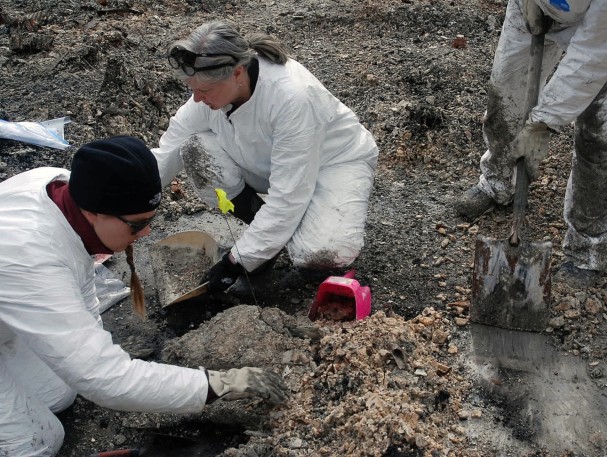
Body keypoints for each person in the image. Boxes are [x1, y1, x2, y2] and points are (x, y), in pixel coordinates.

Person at [0, 136, 287, 456]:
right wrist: (219, 384)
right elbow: (104, 380)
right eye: (139, 224)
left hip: (11, 311)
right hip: (17, 283)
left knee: (60, 392)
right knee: (39, 441)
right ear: (96, 213)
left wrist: (95, 354)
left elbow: (83, 301)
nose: (148, 232)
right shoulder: (29, 254)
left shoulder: (64, 187)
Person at [152, 20, 379, 294]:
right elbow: (169, 150)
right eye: (192, 89)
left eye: (205, 91)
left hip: (333, 164)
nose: (197, 99)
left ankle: (275, 239)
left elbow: (288, 195)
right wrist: (133, 206)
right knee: (194, 150)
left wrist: (236, 261)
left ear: (237, 73)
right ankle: (267, 243)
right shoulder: (214, 88)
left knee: (319, 253)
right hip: (271, 165)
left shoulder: (291, 96)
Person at [455, 0, 607, 285]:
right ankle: (499, 182)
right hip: (532, 7)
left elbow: (595, 54)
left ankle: (588, 248)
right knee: (505, 94)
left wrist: (542, 124)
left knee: (596, 133)